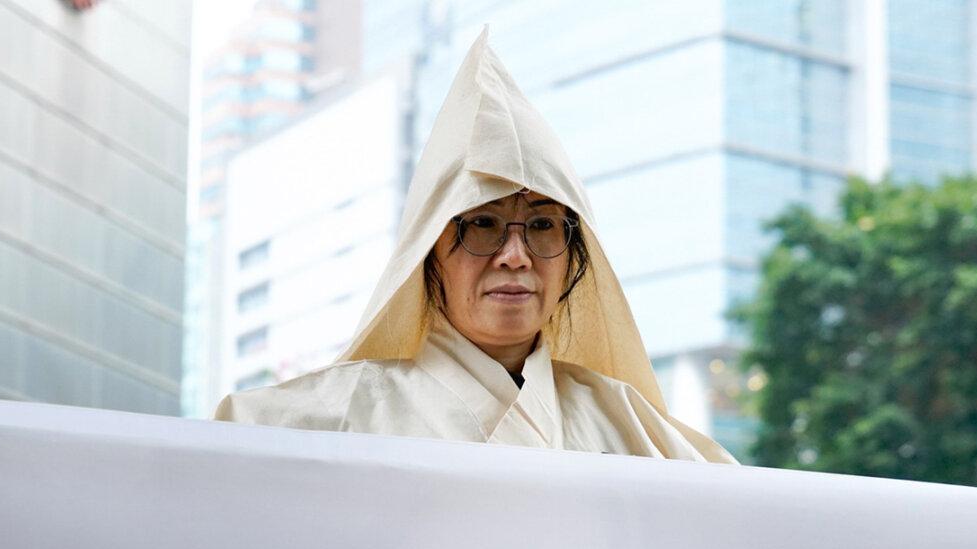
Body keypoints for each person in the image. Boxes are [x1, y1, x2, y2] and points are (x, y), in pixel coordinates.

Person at [215, 29, 736, 465]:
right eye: (483, 224)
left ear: (576, 255)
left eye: (542, 226)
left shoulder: (636, 434)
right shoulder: (315, 424)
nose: (516, 255)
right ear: (428, 252)